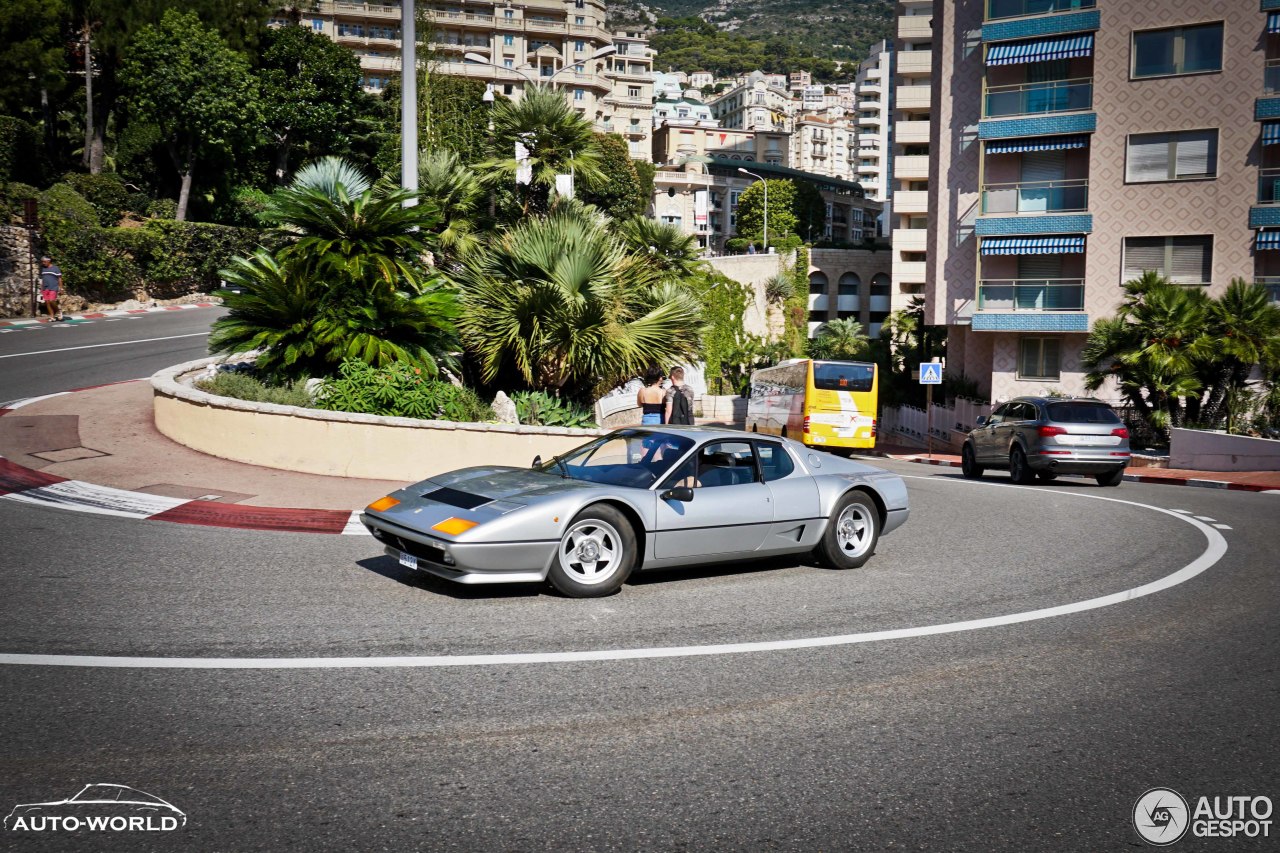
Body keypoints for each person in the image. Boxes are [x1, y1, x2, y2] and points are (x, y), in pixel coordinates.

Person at [39, 256, 64, 321]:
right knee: (47, 302)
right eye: (42, 262)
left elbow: (60, 278)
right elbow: (43, 279)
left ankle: (59, 311)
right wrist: (41, 288)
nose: (43, 263)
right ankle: (52, 316)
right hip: (45, 287)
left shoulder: (55, 268)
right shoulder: (43, 269)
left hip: (53, 286)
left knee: (52, 300)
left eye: (44, 262)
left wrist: (61, 288)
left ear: (48, 261)